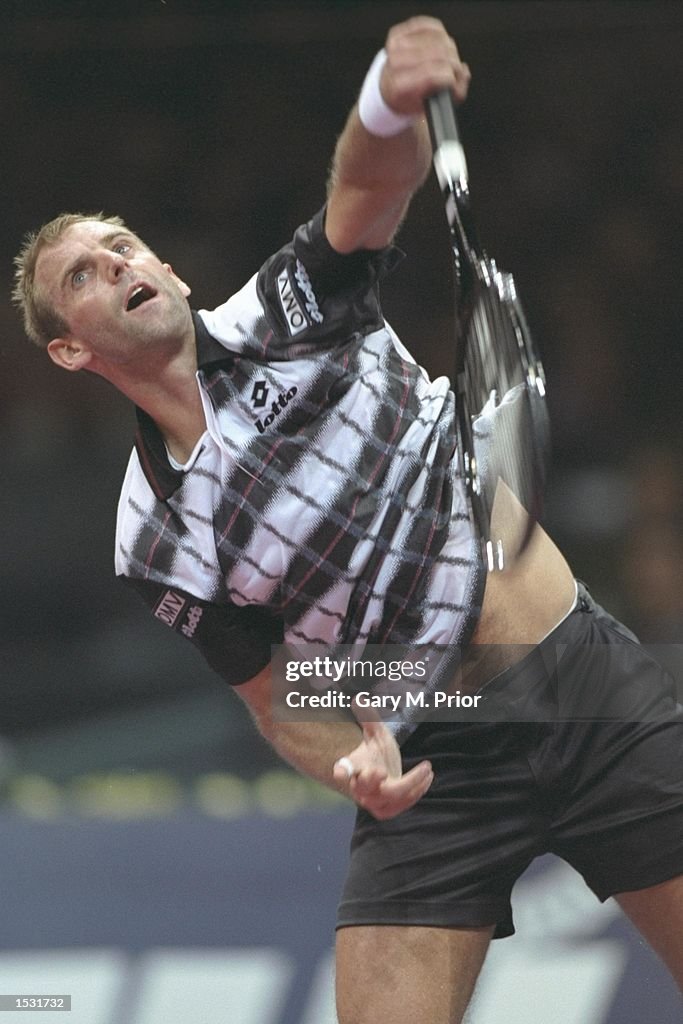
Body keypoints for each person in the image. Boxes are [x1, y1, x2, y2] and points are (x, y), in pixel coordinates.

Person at [12, 16, 683, 1022]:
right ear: (72, 351)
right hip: (430, 754)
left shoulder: (289, 310)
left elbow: (369, 187)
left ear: (172, 272)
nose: (113, 264)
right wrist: (354, 766)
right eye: (82, 275)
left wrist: (386, 95)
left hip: (578, 680)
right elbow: (280, 698)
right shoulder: (151, 539)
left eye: (121, 245)